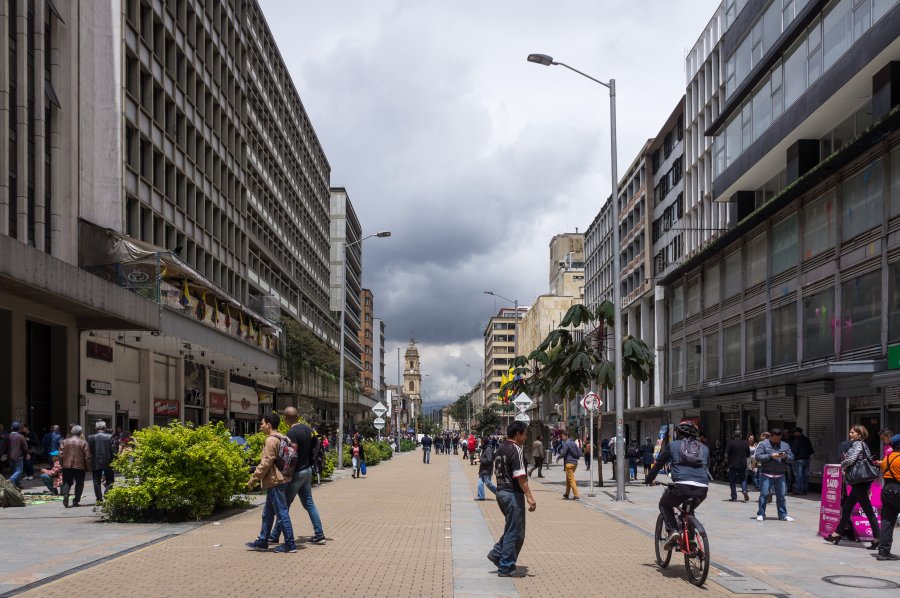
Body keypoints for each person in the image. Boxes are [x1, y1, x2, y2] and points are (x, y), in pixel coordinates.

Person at [646, 421, 710, 549]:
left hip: (681, 486)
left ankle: (673, 531)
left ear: (678, 434)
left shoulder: (673, 445)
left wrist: (649, 480)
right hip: (702, 488)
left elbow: (658, 464)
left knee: (665, 504)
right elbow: (706, 468)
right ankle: (691, 542)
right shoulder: (704, 448)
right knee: (689, 511)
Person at [268, 407, 326, 546]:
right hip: (307, 471)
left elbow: (291, 454)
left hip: (297, 473)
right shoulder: (307, 429)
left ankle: (275, 535)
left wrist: (286, 474)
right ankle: (320, 534)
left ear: (285, 418)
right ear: (297, 416)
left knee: (284, 505)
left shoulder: (292, 432)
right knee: (309, 504)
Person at [487, 421, 536, 577]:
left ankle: (497, 554)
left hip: (501, 492)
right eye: (525, 433)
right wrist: (529, 496)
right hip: (512, 493)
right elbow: (520, 476)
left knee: (512, 529)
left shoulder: (500, 449)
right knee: (515, 532)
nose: (526, 436)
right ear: (518, 434)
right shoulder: (516, 450)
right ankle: (506, 566)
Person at [245, 412, 297, 553]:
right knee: (267, 513)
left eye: (262, 423)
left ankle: (290, 544)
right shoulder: (283, 437)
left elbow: (266, 462)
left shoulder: (270, 440)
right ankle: (262, 541)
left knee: (281, 513)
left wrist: (254, 479)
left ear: (269, 424)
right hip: (281, 479)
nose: (260, 426)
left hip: (275, 481)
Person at [824, 425, 879, 548]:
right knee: (848, 507)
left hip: (859, 482)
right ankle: (837, 533)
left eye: (852, 432)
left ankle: (877, 538)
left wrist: (842, 465)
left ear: (859, 435)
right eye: (850, 432)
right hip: (860, 482)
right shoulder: (864, 445)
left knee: (868, 511)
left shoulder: (858, 444)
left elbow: (851, 460)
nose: (850, 434)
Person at [754, 428, 794, 522]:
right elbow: (758, 456)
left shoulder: (785, 445)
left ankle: (783, 515)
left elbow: (792, 458)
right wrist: (770, 456)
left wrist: (785, 456)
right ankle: (761, 514)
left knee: (781, 496)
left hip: (780, 474)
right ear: (771, 437)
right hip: (766, 474)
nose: (777, 440)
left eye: (778, 439)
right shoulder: (763, 444)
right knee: (763, 494)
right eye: (775, 438)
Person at [876, 433, 900, 560]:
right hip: (898, 490)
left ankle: (883, 551)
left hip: (886, 491)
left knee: (887, 521)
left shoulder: (886, 459)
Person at [59, 425, 91, 508]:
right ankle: (76, 501)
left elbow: (60, 455)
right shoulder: (84, 442)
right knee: (79, 483)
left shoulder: (64, 442)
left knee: (66, 482)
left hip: (67, 465)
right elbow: (87, 457)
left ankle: (66, 494)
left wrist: (62, 464)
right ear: (80, 432)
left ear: (72, 432)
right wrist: (88, 468)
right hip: (79, 466)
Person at [88, 421, 115, 503]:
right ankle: (108, 492)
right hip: (108, 462)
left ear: (96, 428)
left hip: (95, 462)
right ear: (105, 428)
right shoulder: (110, 437)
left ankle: (99, 499)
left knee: (96, 481)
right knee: (110, 479)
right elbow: (113, 451)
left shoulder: (90, 437)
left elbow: (88, 451)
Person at [556, 431, 582, 500]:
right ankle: (567, 494)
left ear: (566, 436)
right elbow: (579, 453)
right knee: (568, 479)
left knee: (571, 480)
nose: (562, 438)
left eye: (563, 436)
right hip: (575, 463)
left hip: (569, 464)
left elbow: (563, 453)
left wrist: (558, 457)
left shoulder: (566, 443)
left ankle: (576, 495)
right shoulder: (574, 443)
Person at [725, 431, 750, 502]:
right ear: (741, 436)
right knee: (743, 479)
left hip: (732, 464)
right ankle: (744, 490)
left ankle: (734, 497)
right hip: (742, 464)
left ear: (733, 435)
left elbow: (726, 454)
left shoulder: (730, 443)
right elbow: (748, 454)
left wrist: (727, 461)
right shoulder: (745, 443)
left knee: (732, 481)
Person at [790, 427, 814, 495]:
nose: (794, 433)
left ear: (797, 432)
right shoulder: (807, 439)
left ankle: (798, 490)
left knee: (799, 475)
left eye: (795, 432)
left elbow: (794, 451)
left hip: (799, 460)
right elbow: (811, 450)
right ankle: (805, 490)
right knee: (805, 475)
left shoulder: (797, 440)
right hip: (807, 459)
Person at [5, 422, 29, 488]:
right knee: (19, 471)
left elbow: (5, 446)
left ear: (11, 428)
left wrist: (4, 454)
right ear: (18, 429)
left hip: (10, 457)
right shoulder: (21, 436)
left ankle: (17, 484)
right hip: (18, 456)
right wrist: (27, 454)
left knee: (14, 470)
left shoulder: (7, 436)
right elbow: (25, 447)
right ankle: (10, 480)